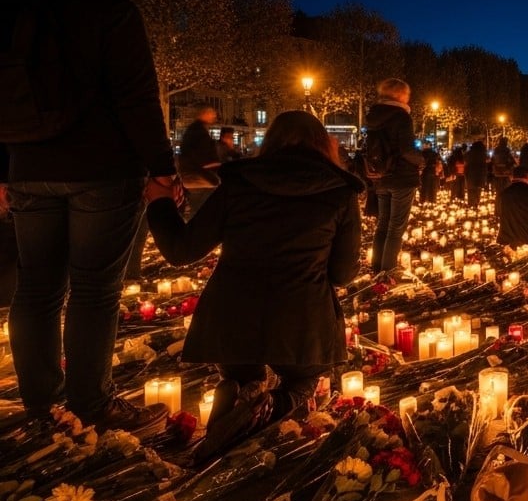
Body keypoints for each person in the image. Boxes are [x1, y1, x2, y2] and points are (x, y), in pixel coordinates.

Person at [0, 0, 179, 435]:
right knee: (95, 290)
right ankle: (90, 403)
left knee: (35, 287)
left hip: (30, 165)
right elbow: (137, 97)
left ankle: (42, 404)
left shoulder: (8, 4)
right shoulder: (110, 6)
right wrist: (163, 168)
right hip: (103, 168)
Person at [146, 111, 362, 460]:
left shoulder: (238, 182)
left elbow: (181, 249)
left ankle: (239, 390)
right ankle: (271, 407)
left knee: (242, 367)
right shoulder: (340, 192)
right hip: (301, 323)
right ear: (324, 145)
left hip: (232, 320)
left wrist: (160, 202)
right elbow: (342, 274)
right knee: (302, 381)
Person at [364, 78, 423, 274]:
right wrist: (423, 161)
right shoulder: (401, 117)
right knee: (396, 227)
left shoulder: (373, 116)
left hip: (381, 177)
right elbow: (407, 150)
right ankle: (387, 273)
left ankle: (377, 268)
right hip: (402, 176)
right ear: (398, 95)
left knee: (383, 225)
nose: (409, 98)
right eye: (407, 94)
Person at [178, 104, 223, 213]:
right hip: (198, 178)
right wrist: (216, 166)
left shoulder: (196, 129)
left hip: (192, 177)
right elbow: (202, 156)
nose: (214, 116)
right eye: (211, 113)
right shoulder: (199, 131)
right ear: (204, 114)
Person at [465, 138, 488, 207]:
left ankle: (470, 203)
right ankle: (476, 203)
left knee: (471, 189)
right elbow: (487, 161)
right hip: (480, 173)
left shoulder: (469, 153)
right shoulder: (483, 153)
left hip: (470, 172)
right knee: (478, 189)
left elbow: (465, 160)